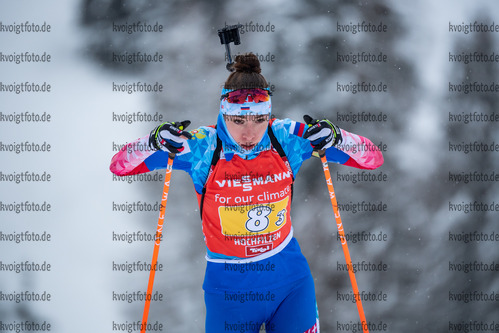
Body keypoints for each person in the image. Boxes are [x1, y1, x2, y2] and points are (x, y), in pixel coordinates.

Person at [110, 53, 383, 333]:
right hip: (229, 294)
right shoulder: (202, 147)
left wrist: (339, 136)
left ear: (269, 114)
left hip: (290, 282)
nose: (249, 133)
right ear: (223, 114)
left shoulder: (287, 138)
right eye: (239, 121)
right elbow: (120, 166)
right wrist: (153, 141)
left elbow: (372, 159)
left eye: (259, 119)